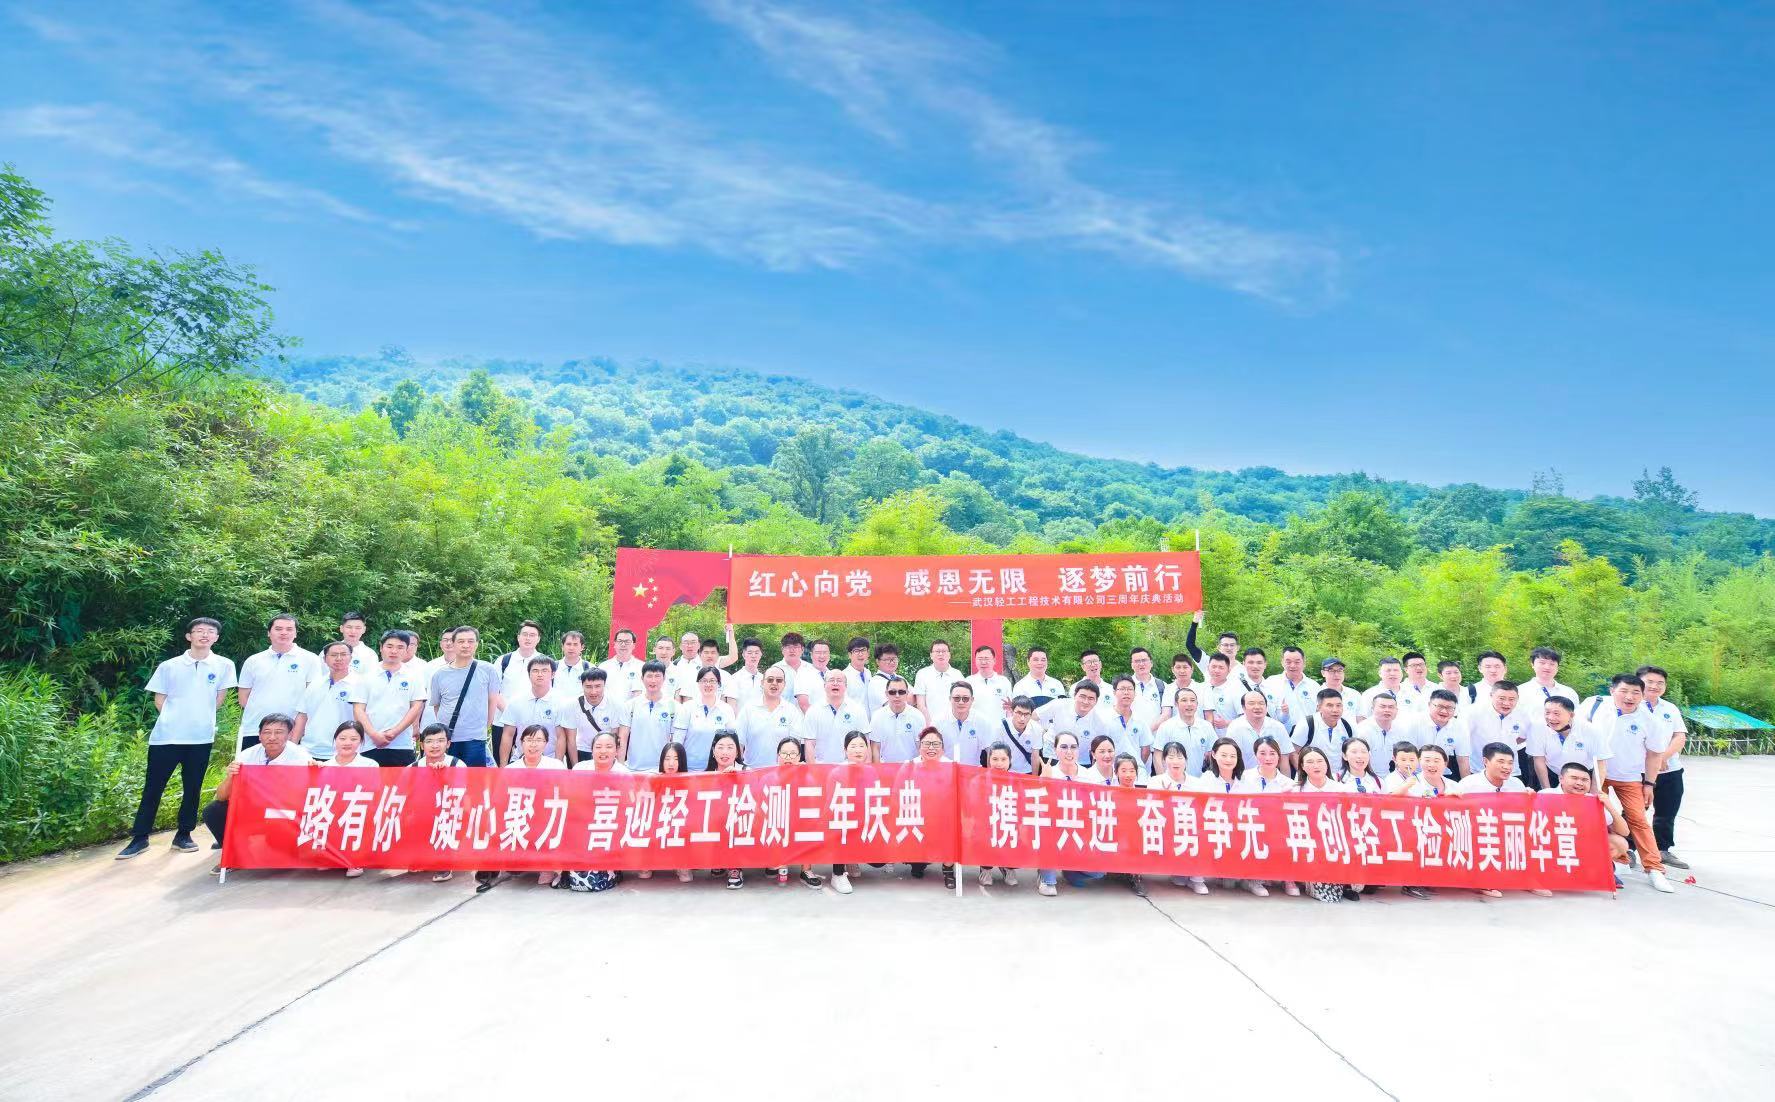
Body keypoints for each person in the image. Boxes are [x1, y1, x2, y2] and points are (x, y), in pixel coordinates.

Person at [119, 617, 238, 860]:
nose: (204, 635)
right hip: (166, 738)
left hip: (200, 738)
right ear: (189, 636)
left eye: (210, 631)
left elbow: (219, 699)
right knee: (153, 788)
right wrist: (177, 720)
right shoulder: (169, 666)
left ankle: (184, 835)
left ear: (216, 637)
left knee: (192, 788)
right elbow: (159, 700)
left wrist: (199, 719)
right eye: (199, 631)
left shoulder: (224, 665)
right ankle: (140, 838)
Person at [1584, 674, 1675, 893]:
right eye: (1624, 691)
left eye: (1636, 693)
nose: (1629, 697)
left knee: (1638, 820)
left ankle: (1654, 868)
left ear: (1642, 696)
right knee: (1598, 818)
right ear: (1612, 691)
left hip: (1630, 776)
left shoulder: (1649, 720)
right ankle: (1616, 860)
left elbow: (1654, 754)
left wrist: (1649, 783)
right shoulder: (1594, 705)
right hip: (1597, 774)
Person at [200, 713, 312, 868]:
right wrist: (231, 777)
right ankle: (235, 854)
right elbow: (221, 796)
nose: (272, 737)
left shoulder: (300, 757)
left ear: (289, 734)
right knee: (213, 810)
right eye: (267, 732)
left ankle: (283, 844)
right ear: (259, 735)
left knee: (281, 858)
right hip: (253, 809)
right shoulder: (247, 755)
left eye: (279, 732)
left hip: (284, 811)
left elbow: (303, 796)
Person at [235, 614, 319, 751]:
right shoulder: (253, 660)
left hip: (292, 729)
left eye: (289, 629)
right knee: (251, 765)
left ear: (296, 633)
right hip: (255, 728)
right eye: (278, 629)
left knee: (288, 766)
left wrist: (298, 730)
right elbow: (243, 698)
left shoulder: (310, 659)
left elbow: (311, 698)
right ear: (269, 632)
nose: (284, 633)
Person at [1036, 732, 1102, 897]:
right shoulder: (1049, 772)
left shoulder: (1089, 775)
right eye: (1064, 747)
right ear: (1055, 750)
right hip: (1055, 828)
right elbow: (1039, 807)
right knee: (1045, 828)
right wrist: (1045, 782)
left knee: (1098, 872)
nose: (1069, 752)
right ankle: (1047, 878)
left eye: (1073, 747)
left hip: (1081, 830)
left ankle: (1070, 870)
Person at [1638, 665, 1691, 870]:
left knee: (1667, 812)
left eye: (1660, 683)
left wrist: (1662, 757)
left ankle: (1662, 849)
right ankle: (1629, 849)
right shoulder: (1631, 706)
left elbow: (1679, 736)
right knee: (1635, 811)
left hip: (1671, 770)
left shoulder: (1670, 708)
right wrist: (1652, 761)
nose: (1655, 686)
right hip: (1640, 771)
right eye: (1650, 682)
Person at [426, 626, 502, 767]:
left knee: (474, 778)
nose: (466, 645)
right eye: (461, 641)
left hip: (475, 737)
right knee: (446, 776)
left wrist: (485, 727)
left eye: (470, 641)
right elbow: (437, 705)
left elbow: (493, 700)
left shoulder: (488, 670)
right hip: (447, 739)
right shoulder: (439, 674)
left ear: (477, 644)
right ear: (453, 644)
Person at [564, 729, 628, 894]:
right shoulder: (580, 768)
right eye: (598, 747)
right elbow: (571, 798)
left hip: (609, 825)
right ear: (591, 750)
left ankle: (613, 868)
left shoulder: (623, 773)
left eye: (609, 747)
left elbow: (627, 806)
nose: (603, 751)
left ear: (616, 750)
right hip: (583, 825)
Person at [1143, 742, 1209, 894]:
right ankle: (1179, 871)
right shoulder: (1155, 782)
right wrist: (1164, 797)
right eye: (1171, 757)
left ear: (1186, 760)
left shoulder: (1197, 783)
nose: (1175, 761)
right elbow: (1151, 810)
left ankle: (1197, 879)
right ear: (1164, 760)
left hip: (1190, 826)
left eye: (1180, 757)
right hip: (1166, 827)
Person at [1294, 746, 1350, 902]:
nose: (1316, 765)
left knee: (1334, 892)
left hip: (1333, 842)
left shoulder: (1341, 789)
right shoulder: (1295, 790)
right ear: (1302, 766)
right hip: (1307, 842)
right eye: (1310, 762)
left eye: (1320, 761)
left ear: (1327, 764)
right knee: (1327, 895)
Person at [291, 640, 365, 760]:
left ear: (351, 658)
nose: (339, 658)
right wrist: (293, 746)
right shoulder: (315, 683)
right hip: (308, 750)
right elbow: (302, 715)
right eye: (334, 655)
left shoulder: (361, 684)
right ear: (324, 659)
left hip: (344, 752)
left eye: (343, 654)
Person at [907, 729, 959, 888]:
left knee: (953, 828)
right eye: (927, 743)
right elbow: (898, 793)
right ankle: (919, 861)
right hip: (918, 817)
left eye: (936, 744)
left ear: (942, 748)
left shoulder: (951, 766)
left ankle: (948, 869)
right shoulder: (910, 766)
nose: (931, 748)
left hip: (943, 818)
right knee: (916, 867)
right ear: (919, 747)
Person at [771, 737, 825, 889]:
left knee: (810, 824)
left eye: (793, 754)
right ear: (778, 755)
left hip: (800, 820)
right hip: (777, 820)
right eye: (784, 753)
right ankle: (777, 862)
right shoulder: (769, 775)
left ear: (799, 756)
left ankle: (806, 870)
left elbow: (813, 804)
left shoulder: (806, 776)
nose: (788, 758)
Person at [495, 655, 565, 766]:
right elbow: (508, 735)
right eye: (535, 671)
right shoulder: (516, 701)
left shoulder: (561, 702)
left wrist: (557, 765)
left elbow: (561, 737)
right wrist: (503, 766)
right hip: (520, 760)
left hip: (550, 761)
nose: (540, 674)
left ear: (553, 674)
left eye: (545, 671)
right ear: (529, 674)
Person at [1528, 696, 1607, 791]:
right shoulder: (1538, 727)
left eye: (1556, 713)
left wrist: (1593, 793)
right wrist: (1547, 790)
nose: (1551, 718)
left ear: (1571, 715)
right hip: (1552, 773)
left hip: (1582, 776)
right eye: (1547, 712)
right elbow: (1539, 759)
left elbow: (1600, 764)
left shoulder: (1591, 730)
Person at [829, 731, 873, 895]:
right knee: (841, 828)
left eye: (862, 746)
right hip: (842, 821)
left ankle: (852, 858)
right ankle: (838, 874)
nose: (858, 750)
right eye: (853, 746)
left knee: (879, 861)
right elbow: (830, 805)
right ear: (845, 750)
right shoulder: (837, 772)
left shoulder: (871, 772)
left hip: (864, 821)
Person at [1465, 680, 1533, 785]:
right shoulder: (1473, 712)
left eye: (1511, 699)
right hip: (1479, 769)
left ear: (1518, 698)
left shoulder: (1523, 714)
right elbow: (1464, 739)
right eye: (1501, 698)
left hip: (1510, 771)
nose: (1506, 703)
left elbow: (1523, 737)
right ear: (1491, 695)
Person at [976, 743, 1022, 888]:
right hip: (987, 823)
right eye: (995, 759)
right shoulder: (980, 779)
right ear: (989, 760)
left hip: (1009, 821)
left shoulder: (1017, 780)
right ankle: (985, 869)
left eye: (1003, 759)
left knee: (1014, 833)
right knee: (985, 833)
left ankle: (1008, 868)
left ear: (1010, 760)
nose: (999, 763)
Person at [673, 666, 737, 770]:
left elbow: (731, 742)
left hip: (716, 770)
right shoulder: (687, 707)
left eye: (712, 681)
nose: (708, 684)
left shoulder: (726, 709)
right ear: (698, 683)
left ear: (718, 684)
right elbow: (677, 741)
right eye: (704, 681)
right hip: (689, 769)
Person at [738, 669, 804, 769]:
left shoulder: (792, 711)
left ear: (784, 684)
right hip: (752, 772)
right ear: (762, 683)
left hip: (782, 772)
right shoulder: (748, 709)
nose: (774, 683)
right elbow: (739, 743)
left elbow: (795, 746)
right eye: (770, 680)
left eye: (779, 680)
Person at [565, 668, 629, 769]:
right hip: (581, 750)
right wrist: (575, 767)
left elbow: (617, 738)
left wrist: (618, 767)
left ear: (605, 684)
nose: (593, 692)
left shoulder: (617, 705)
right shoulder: (572, 705)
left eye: (598, 686)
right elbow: (571, 739)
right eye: (588, 687)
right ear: (582, 685)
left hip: (605, 751)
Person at [706, 731, 747, 889]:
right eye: (720, 747)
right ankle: (718, 859)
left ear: (737, 752)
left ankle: (735, 867)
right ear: (713, 750)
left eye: (730, 747)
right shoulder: (706, 774)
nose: (725, 752)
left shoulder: (746, 771)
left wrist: (740, 778)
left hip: (740, 821)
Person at [805, 669, 872, 764]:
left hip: (850, 766)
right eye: (831, 680)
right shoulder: (813, 711)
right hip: (822, 766)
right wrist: (813, 769)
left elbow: (866, 742)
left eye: (839, 681)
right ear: (824, 685)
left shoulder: (857, 709)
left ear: (846, 686)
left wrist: (867, 767)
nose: (835, 683)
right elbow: (809, 743)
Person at [1036, 682, 1112, 760]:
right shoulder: (1059, 704)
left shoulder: (1100, 722)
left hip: (1079, 759)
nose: (1085, 702)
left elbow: (1102, 746)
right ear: (1075, 695)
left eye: (1091, 698)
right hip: (1052, 753)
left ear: (1096, 701)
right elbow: (1034, 716)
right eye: (1082, 697)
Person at [623, 661, 677, 771]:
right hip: (633, 769)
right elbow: (622, 739)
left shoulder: (674, 706)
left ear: (664, 678)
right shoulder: (630, 705)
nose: (653, 680)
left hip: (660, 770)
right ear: (642, 678)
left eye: (657, 676)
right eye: (649, 676)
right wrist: (620, 768)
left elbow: (676, 743)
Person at [653, 743, 695, 883]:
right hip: (659, 824)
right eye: (667, 758)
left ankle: (682, 864)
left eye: (676, 759)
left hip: (679, 825)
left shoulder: (690, 781)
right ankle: (648, 863)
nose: (671, 763)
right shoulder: (653, 779)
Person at [1153, 687, 1216, 777]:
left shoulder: (1206, 726)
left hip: (1198, 781)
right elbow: (1157, 756)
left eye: (1192, 700)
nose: (1189, 704)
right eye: (1184, 700)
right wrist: (1163, 779)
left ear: (1197, 704)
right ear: (1176, 704)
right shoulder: (1166, 726)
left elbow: (1214, 754)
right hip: (1173, 781)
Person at [1291, 687, 1355, 772]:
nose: (1335, 710)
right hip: (1312, 775)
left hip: (1341, 775)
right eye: (1330, 705)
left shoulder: (1348, 725)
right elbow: (1293, 753)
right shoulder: (1307, 724)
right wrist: (1304, 774)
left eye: (1338, 705)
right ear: (1319, 707)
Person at [1102, 676, 1156, 772]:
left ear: (1135, 693)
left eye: (1130, 689)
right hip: (1111, 771)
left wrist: (1134, 768)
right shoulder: (1104, 718)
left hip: (1135, 772)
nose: (1126, 692)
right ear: (1114, 692)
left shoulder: (1140, 720)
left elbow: (1145, 749)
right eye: (1122, 689)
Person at [1225, 691, 1291, 770]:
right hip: (1244, 775)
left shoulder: (1278, 727)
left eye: (1261, 703)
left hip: (1272, 776)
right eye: (1251, 703)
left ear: (1266, 707)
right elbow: (1229, 758)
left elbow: (1284, 759)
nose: (1257, 707)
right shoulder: (1234, 727)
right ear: (1243, 708)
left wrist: (1285, 778)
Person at [933, 681, 991, 766]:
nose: (961, 702)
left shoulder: (982, 722)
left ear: (972, 700)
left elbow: (990, 751)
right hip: (945, 770)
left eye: (965, 698)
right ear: (950, 699)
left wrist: (990, 773)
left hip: (972, 771)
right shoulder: (938, 721)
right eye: (956, 698)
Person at [1261, 646, 1318, 732]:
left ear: (1304, 663)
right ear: (1282, 662)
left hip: (1307, 734)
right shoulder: (1270, 683)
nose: (1292, 665)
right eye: (1288, 662)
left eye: (1297, 662)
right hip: (1277, 734)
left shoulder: (1314, 686)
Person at [1419, 689, 1471, 781]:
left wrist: (1467, 786)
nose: (1444, 711)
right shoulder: (1414, 723)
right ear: (1429, 705)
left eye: (1449, 708)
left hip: (1442, 774)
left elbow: (1463, 761)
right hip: (1415, 774)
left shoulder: (1460, 727)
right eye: (1440, 706)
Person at [868, 674, 922, 762]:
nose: (897, 695)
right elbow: (875, 748)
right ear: (886, 694)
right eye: (892, 692)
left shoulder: (918, 716)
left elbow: (920, 747)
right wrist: (877, 769)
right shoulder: (877, 716)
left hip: (911, 767)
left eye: (901, 692)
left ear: (907, 693)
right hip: (886, 767)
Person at [495, 620, 551, 703]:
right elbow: (493, 690)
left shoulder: (546, 663)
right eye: (525, 634)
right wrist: (507, 709)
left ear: (538, 639)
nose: (528, 638)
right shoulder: (503, 660)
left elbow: (550, 692)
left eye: (532, 635)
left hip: (534, 710)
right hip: (504, 710)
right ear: (518, 637)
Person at [1354, 693, 1407, 777]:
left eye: (1391, 707)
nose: (1387, 710)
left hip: (1392, 777)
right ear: (1372, 709)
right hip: (1367, 776)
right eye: (1382, 707)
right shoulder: (1363, 730)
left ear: (1396, 710)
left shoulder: (1401, 730)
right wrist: (1375, 780)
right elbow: (1359, 759)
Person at [767, 631, 822, 711]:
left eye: (796, 647)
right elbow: (770, 696)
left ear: (802, 649)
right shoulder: (775, 669)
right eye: (788, 646)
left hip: (808, 714)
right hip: (782, 715)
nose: (792, 650)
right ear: (782, 650)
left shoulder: (811, 669)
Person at [912, 639, 964, 717]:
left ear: (949, 655)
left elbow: (962, 702)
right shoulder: (922, 674)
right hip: (930, 722)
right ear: (931, 655)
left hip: (954, 721)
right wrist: (929, 723)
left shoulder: (957, 675)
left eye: (944, 651)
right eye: (937, 651)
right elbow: (921, 705)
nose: (941, 654)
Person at [997, 695, 1047, 774]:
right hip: (1006, 770)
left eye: (1026, 714)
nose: (1022, 718)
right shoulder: (1001, 727)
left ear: (1031, 714)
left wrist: (1034, 779)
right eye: (1019, 713)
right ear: (1012, 711)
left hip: (1027, 771)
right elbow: (994, 753)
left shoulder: (1036, 728)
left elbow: (1035, 756)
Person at [1195, 653, 1242, 733]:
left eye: (1221, 667)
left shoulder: (1236, 689)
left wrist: (1227, 723)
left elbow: (1245, 718)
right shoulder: (1199, 689)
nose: (1216, 670)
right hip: (1203, 737)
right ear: (1208, 668)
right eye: (1213, 667)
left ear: (1229, 670)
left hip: (1230, 737)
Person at [1011, 646, 1067, 710]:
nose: (1040, 663)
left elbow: (1063, 709)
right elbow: (1019, 712)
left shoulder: (1057, 684)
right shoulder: (1020, 686)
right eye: (1036, 660)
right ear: (1028, 662)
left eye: (1043, 660)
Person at [967, 645, 1015, 718]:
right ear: (975, 661)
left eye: (987, 659)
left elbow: (1009, 709)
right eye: (980, 659)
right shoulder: (968, 681)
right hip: (975, 724)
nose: (983, 662)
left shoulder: (1004, 682)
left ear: (994, 661)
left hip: (999, 724)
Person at [599, 628, 645, 700]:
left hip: (632, 707)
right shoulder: (603, 667)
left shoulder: (642, 667)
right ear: (615, 644)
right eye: (620, 641)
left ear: (633, 645)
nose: (623, 644)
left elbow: (640, 694)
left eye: (627, 642)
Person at [1126, 647, 1169, 722]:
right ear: (1132, 665)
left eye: (1144, 660)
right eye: (1137, 661)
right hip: (1130, 729)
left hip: (1156, 729)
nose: (1141, 664)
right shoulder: (1124, 686)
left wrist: (1151, 728)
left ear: (1151, 663)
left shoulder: (1163, 686)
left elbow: (1166, 714)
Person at [727, 637, 768, 712]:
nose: (753, 656)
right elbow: (731, 707)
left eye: (756, 653)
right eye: (750, 653)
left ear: (761, 654)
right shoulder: (734, 678)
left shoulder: (764, 679)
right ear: (743, 655)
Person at [554, 631, 595, 699]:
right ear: (562, 646)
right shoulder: (552, 667)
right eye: (568, 644)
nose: (571, 648)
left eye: (575, 644)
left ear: (582, 647)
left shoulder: (590, 668)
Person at [867, 642, 903, 715]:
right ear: (877, 661)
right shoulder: (875, 682)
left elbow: (916, 698)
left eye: (894, 659)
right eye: (887, 659)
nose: (892, 662)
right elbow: (894, 706)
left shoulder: (900, 678)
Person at [339, 611, 378, 676]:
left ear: (364, 630)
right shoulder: (328, 651)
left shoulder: (370, 655)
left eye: (358, 628)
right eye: (349, 627)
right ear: (341, 628)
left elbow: (371, 679)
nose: (353, 631)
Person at [840, 636, 874, 710]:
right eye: (856, 651)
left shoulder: (868, 673)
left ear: (868, 653)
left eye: (863, 650)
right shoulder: (843, 676)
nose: (860, 654)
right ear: (849, 655)